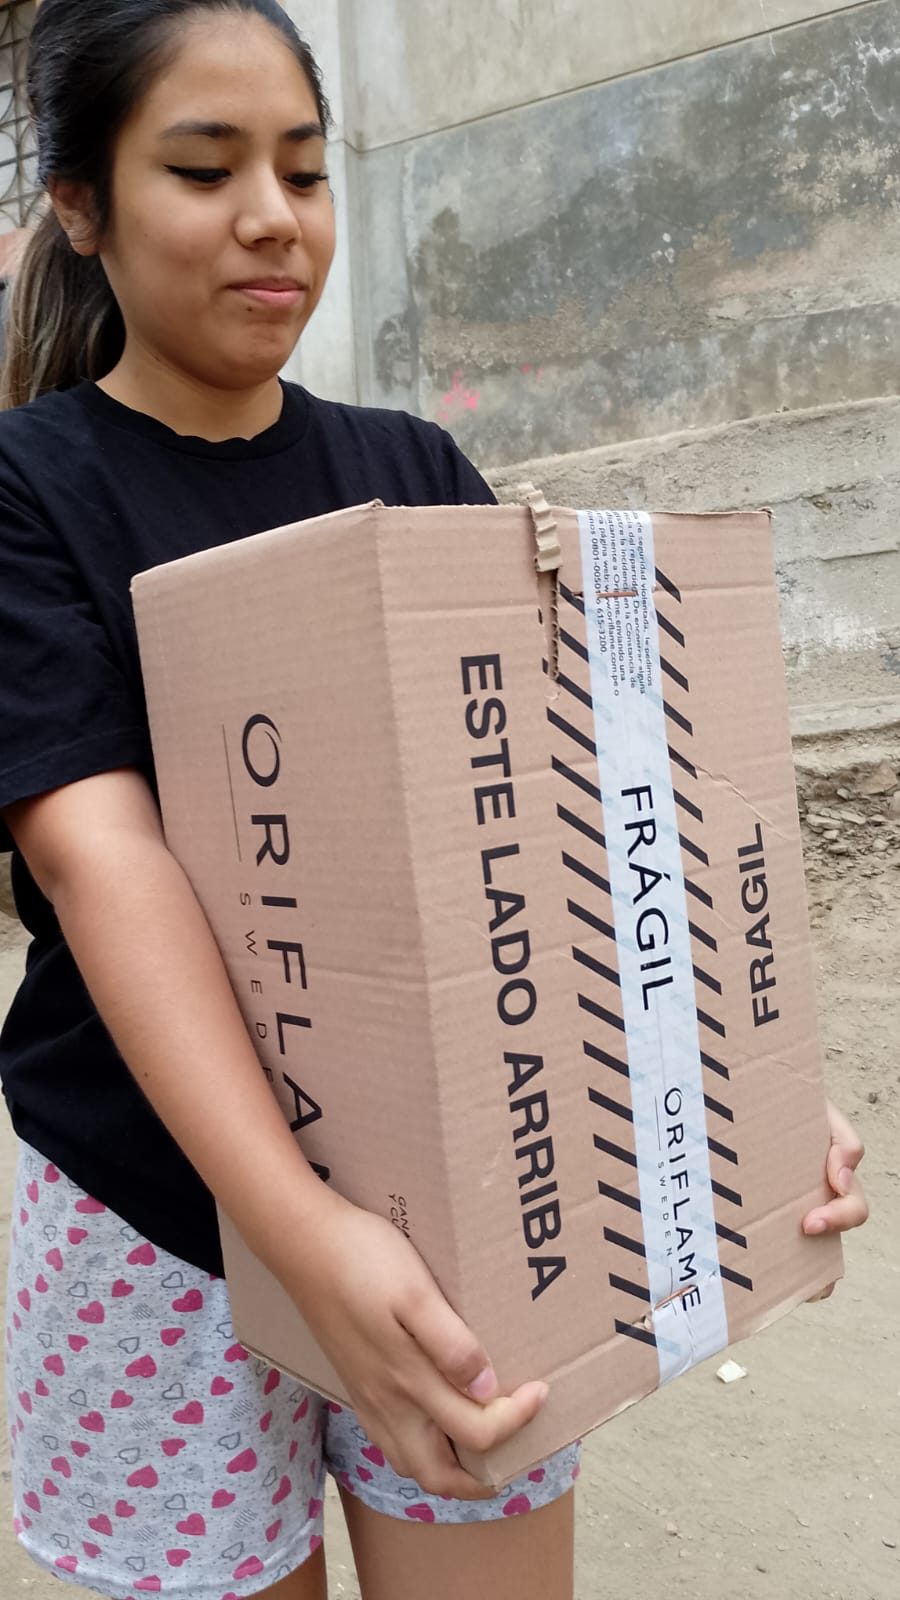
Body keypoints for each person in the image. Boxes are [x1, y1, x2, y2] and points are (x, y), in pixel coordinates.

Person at [0, 4, 868, 1599]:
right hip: (153, 1216)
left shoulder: (411, 469)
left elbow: (561, 800)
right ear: (80, 205)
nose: (273, 214)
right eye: (203, 167)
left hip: (478, 1201)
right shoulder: (29, 489)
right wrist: (298, 1229)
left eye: (304, 167)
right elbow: (100, 855)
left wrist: (726, 1081)